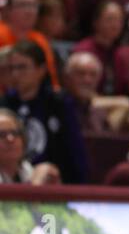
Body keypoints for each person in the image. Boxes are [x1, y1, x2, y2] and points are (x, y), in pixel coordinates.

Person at [2, 39, 88, 183]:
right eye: (12, 68)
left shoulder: (59, 103)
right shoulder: (4, 104)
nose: (16, 74)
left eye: (22, 67)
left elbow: (74, 153)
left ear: (41, 70)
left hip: (54, 185)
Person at [0, 107, 61, 184]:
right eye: (1, 134)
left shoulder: (27, 170)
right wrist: (35, 186)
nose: (10, 139)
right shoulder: (35, 178)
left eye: (15, 133)